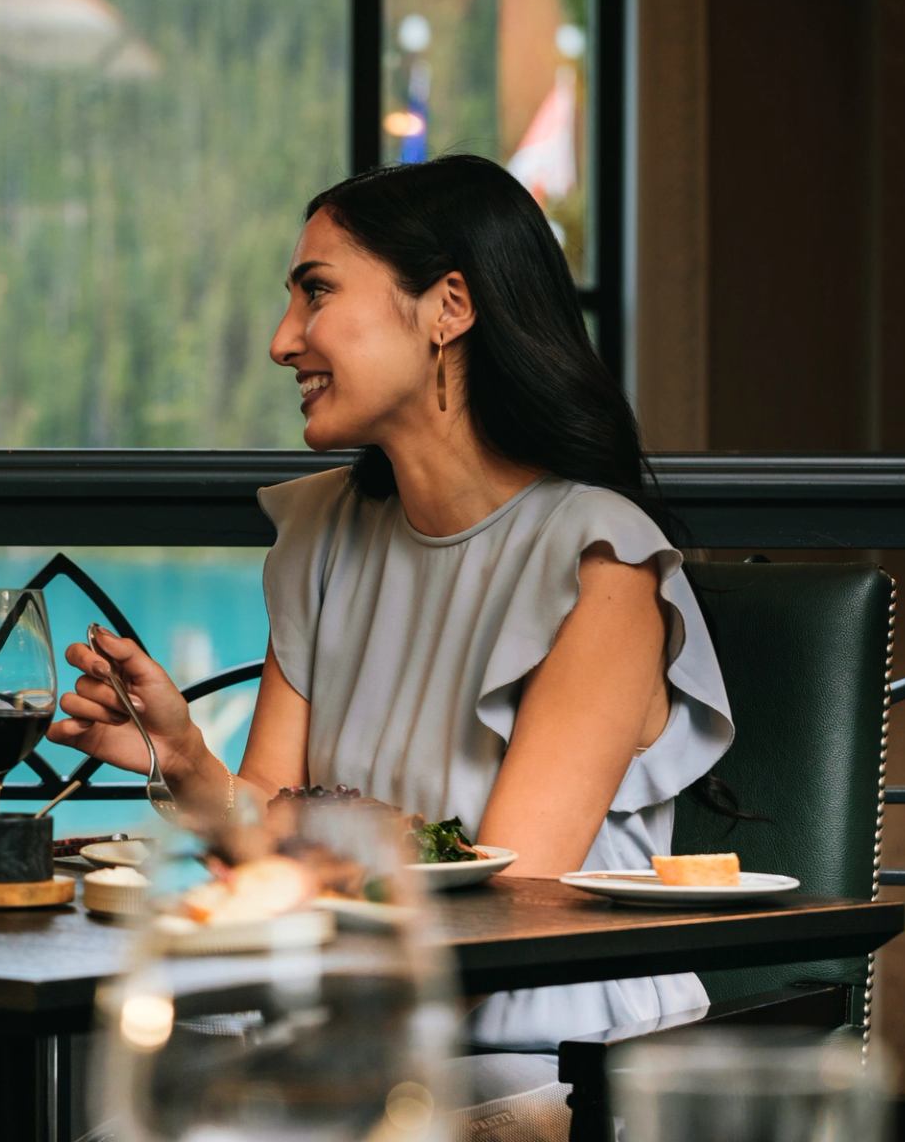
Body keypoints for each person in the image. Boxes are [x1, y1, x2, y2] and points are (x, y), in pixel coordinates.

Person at [49, 155, 734, 1117]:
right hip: (354, 1009)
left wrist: (302, 837)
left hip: (549, 1052)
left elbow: (508, 908)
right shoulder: (325, 533)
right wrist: (183, 758)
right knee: (104, 1056)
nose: (286, 341)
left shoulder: (600, 564)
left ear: (449, 307)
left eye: (317, 293)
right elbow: (267, 823)